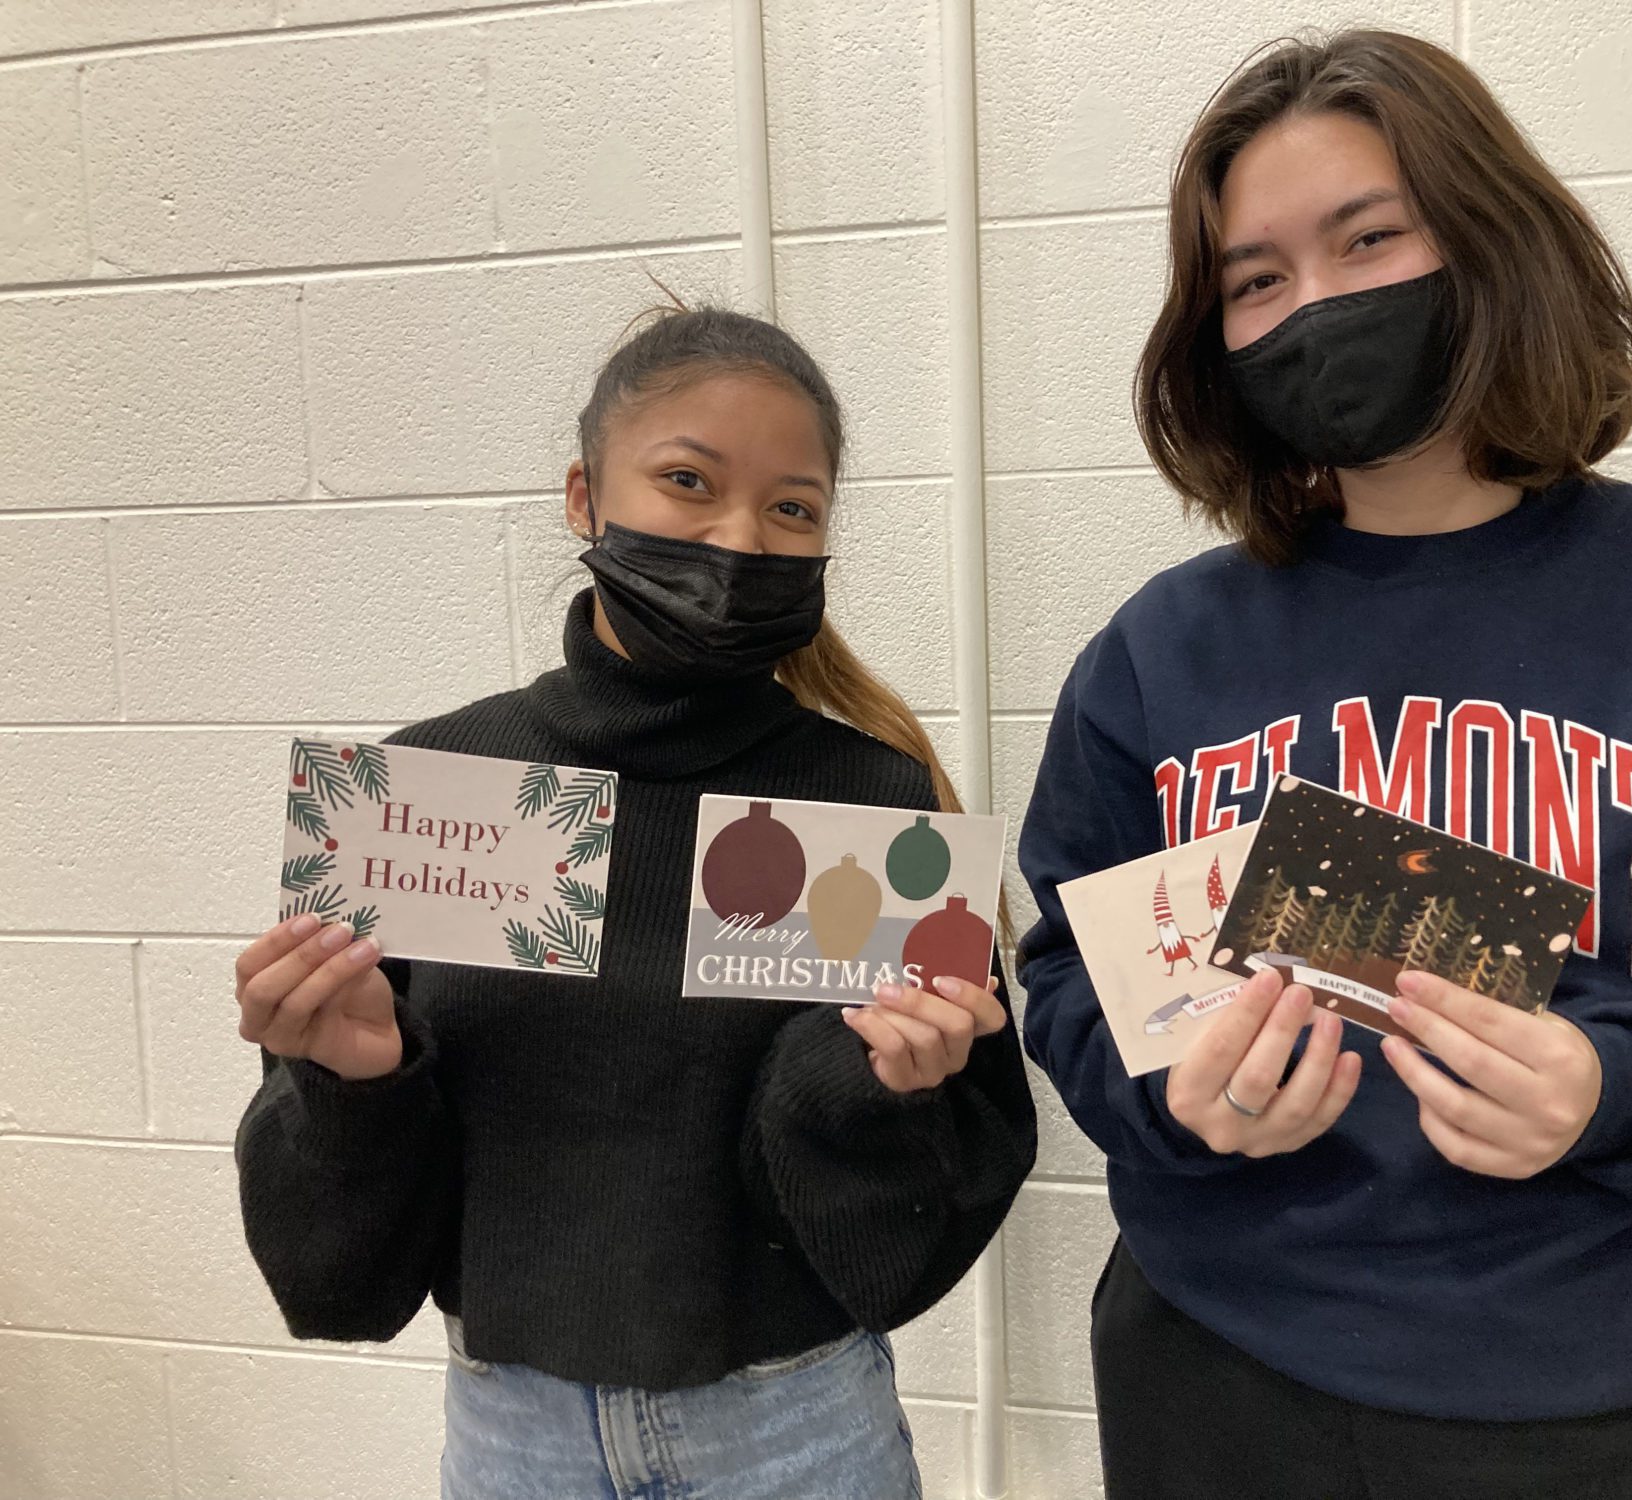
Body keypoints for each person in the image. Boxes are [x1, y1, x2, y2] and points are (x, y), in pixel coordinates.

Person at [1016, 29, 1632, 1500]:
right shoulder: (1160, 655)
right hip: (1216, 1383)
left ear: (1488, 241)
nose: (1316, 305)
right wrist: (1177, 1102)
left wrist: (1627, 1087)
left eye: (1369, 238)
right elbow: (1075, 986)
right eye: (1258, 280)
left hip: (1624, 1415)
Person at [235, 303, 1037, 1500]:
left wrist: (872, 1085)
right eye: (685, 480)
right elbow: (332, 1274)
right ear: (582, 498)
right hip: (514, 1436)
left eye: (792, 507)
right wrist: (354, 1081)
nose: (737, 538)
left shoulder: (873, 805)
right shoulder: (427, 795)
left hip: (798, 1427)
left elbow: (918, 1231)